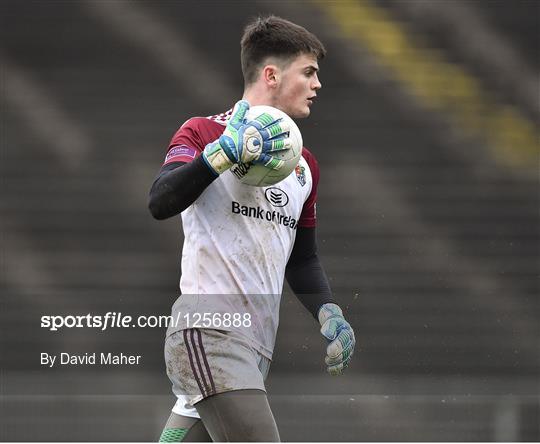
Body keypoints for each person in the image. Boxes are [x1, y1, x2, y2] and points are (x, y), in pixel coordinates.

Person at [148, 15, 355, 442]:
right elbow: (160, 200)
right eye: (309, 72)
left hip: (254, 347)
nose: (318, 85)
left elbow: (303, 259)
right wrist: (218, 155)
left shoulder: (305, 168)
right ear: (272, 75)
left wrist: (328, 311)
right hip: (210, 334)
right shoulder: (206, 131)